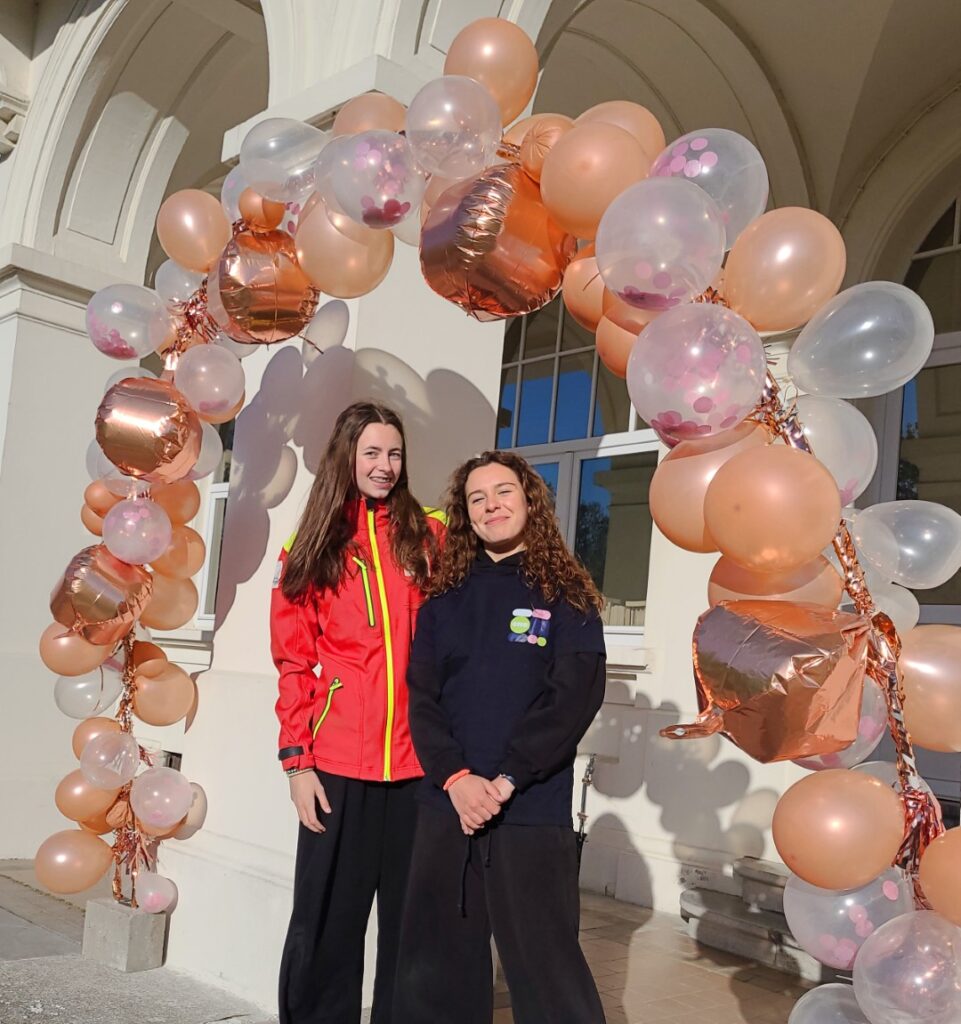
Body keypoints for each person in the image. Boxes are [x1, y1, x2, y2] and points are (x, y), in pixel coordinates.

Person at [394, 450, 607, 1024]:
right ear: (466, 515)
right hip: (448, 808)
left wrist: (508, 777)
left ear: (529, 500)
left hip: (529, 810)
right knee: (435, 977)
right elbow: (423, 699)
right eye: (477, 498)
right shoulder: (443, 601)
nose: (492, 505)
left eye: (503, 491)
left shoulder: (568, 596)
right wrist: (457, 779)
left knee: (548, 975)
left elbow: (573, 699)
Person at [270, 400, 445, 1024]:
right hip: (338, 767)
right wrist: (298, 764)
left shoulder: (430, 535)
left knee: (412, 928)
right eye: (371, 452)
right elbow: (293, 662)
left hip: (418, 766)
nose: (384, 465)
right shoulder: (311, 545)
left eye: (394, 453)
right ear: (346, 456)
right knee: (326, 923)